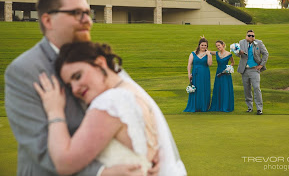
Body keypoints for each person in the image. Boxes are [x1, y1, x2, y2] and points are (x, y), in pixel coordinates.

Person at [4, 0, 159, 175]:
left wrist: (147, 154)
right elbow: (41, 149)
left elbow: (127, 110)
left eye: (88, 12)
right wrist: (102, 172)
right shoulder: (24, 70)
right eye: (77, 13)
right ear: (47, 20)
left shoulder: (93, 57)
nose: (88, 21)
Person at [33, 42, 187, 176]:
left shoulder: (109, 103)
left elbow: (64, 164)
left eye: (78, 76)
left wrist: (54, 110)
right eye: (69, 84)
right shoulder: (132, 91)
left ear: (100, 63)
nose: (74, 89)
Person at [235, 30, 269, 115]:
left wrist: (261, 65)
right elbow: (237, 54)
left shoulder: (259, 43)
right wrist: (239, 52)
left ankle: (259, 108)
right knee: (247, 89)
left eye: (252, 36)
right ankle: (249, 107)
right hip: (244, 69)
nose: (251, 37)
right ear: (246, 36)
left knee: (256, 88)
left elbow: (266, 54)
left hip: (254, 69)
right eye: (249, 35)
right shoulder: (241, 42)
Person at [184, 37, 212, 112]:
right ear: (199, 45)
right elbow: (189, 64)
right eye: (202, 45)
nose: (203, 47)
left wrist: (209, 55)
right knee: (196, 89)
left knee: (204, 88)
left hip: (205, 74)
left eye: (205, 45)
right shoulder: (193, 53)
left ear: (207, 46)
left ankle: (203, 106)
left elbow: (209, 64)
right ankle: (195, 106)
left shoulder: (208, 54)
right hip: (196, 74)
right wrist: (189, 74)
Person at [208, 40, 235, 112]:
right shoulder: (216, 53)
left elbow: (233, 62)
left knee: (225, 88)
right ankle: (218, 106)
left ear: (223, 45)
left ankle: (225, 106)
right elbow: (208, 51)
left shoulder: (229, 54)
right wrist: (204, 40)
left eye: (219, 45)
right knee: (218, 88)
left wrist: (229, 68)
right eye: (216, 46)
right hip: (218, 73)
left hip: (226, 74)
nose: (218, 47)